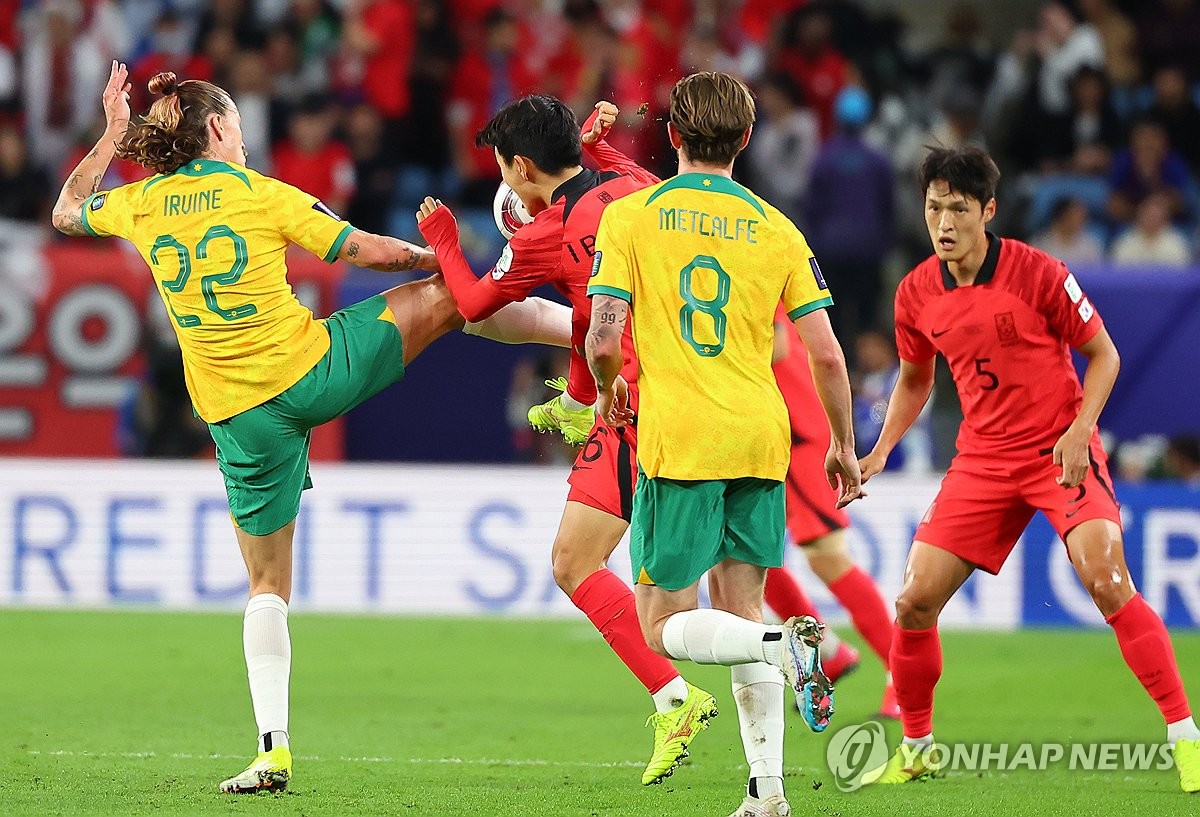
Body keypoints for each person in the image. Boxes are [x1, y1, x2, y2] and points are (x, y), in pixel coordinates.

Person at [51, 62, 572, 795]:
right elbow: (369, 251)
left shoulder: (140, 205)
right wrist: (447, 265)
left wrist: (110, 136)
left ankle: (273, 748)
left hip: (238, 418)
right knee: (453, 300)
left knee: (266, 583)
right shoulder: (259, 193)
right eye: (238, 121)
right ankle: (588, 330)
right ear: (222, 129)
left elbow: (68, 212)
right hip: (315, 371)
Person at [857, 144, 1200, 792]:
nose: (944, 223)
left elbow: (1104, 355)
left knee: (1106, 579)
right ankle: (917, 746)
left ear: (988, 209)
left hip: (1058, 450)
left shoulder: (1038, 273)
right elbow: (911, 380)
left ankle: (1187, 738)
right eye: (934, 208)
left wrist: (1079, 430)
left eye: (958, 208)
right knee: (912, 601)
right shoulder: (915, 293)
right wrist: (877, 450)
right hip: (982, 460)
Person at [416, 96, 717, 786]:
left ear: (521, 168)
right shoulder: (638, 187)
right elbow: (599, 281)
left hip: (636, 402)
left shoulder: (543, 235)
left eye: (502, 166)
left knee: (612, 579)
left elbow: (471, 303)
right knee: (603, 566)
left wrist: (442, 238)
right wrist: (600, 146)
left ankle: (759, 659)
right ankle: (680, 697)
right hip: (695, 391)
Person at [586, 71, 862, 817]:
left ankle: (783, 645)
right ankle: (767, 792)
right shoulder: (777, 228)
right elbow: (828, 354)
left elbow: (605, 334)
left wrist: (608, 383)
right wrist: (842, 443)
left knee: (663, 622)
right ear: (746, 139)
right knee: (741, 611)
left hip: (682, 438)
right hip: (761, 437)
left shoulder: (633, 218)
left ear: (672, 135)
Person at [763, 318, 899, 721]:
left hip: (798, 428)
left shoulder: (753, 257)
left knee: (826, 554)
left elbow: (777, 345)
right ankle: (827, 651)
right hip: (761, 430)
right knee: (738, 553)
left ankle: (902, 673)